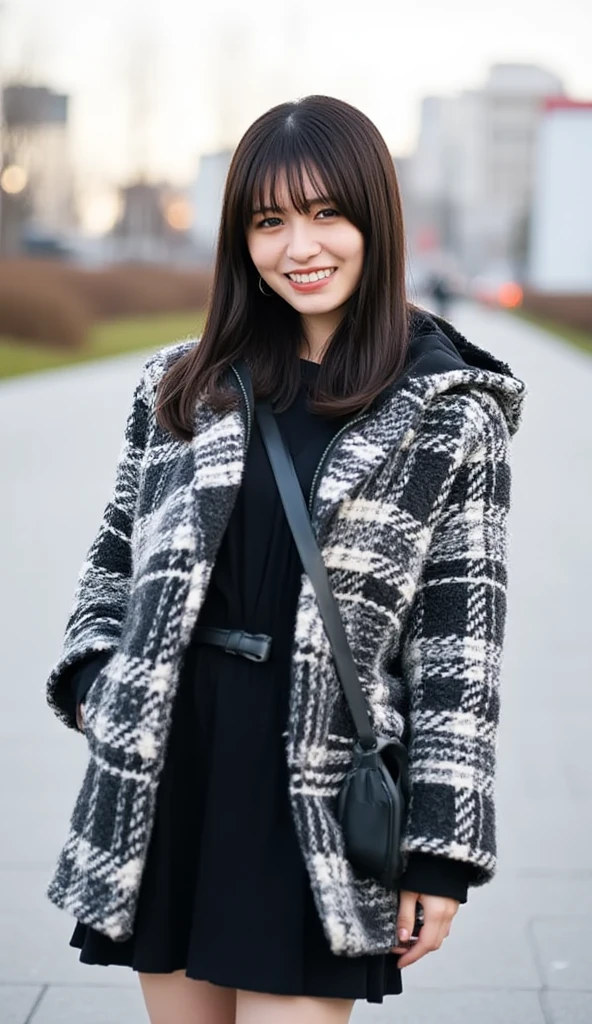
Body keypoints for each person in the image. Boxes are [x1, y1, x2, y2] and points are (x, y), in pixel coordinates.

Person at [45, 94, 526, 1024]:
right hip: (168, 782)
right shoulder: (181, 388)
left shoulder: (448, 413)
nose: (299, 246)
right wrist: (107, 695)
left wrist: (439, 856)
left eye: (325, 213)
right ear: (241, 239)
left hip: (316, 794)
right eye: (270, 221)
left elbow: (461, 659)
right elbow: (107, 577)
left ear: (373, 220)